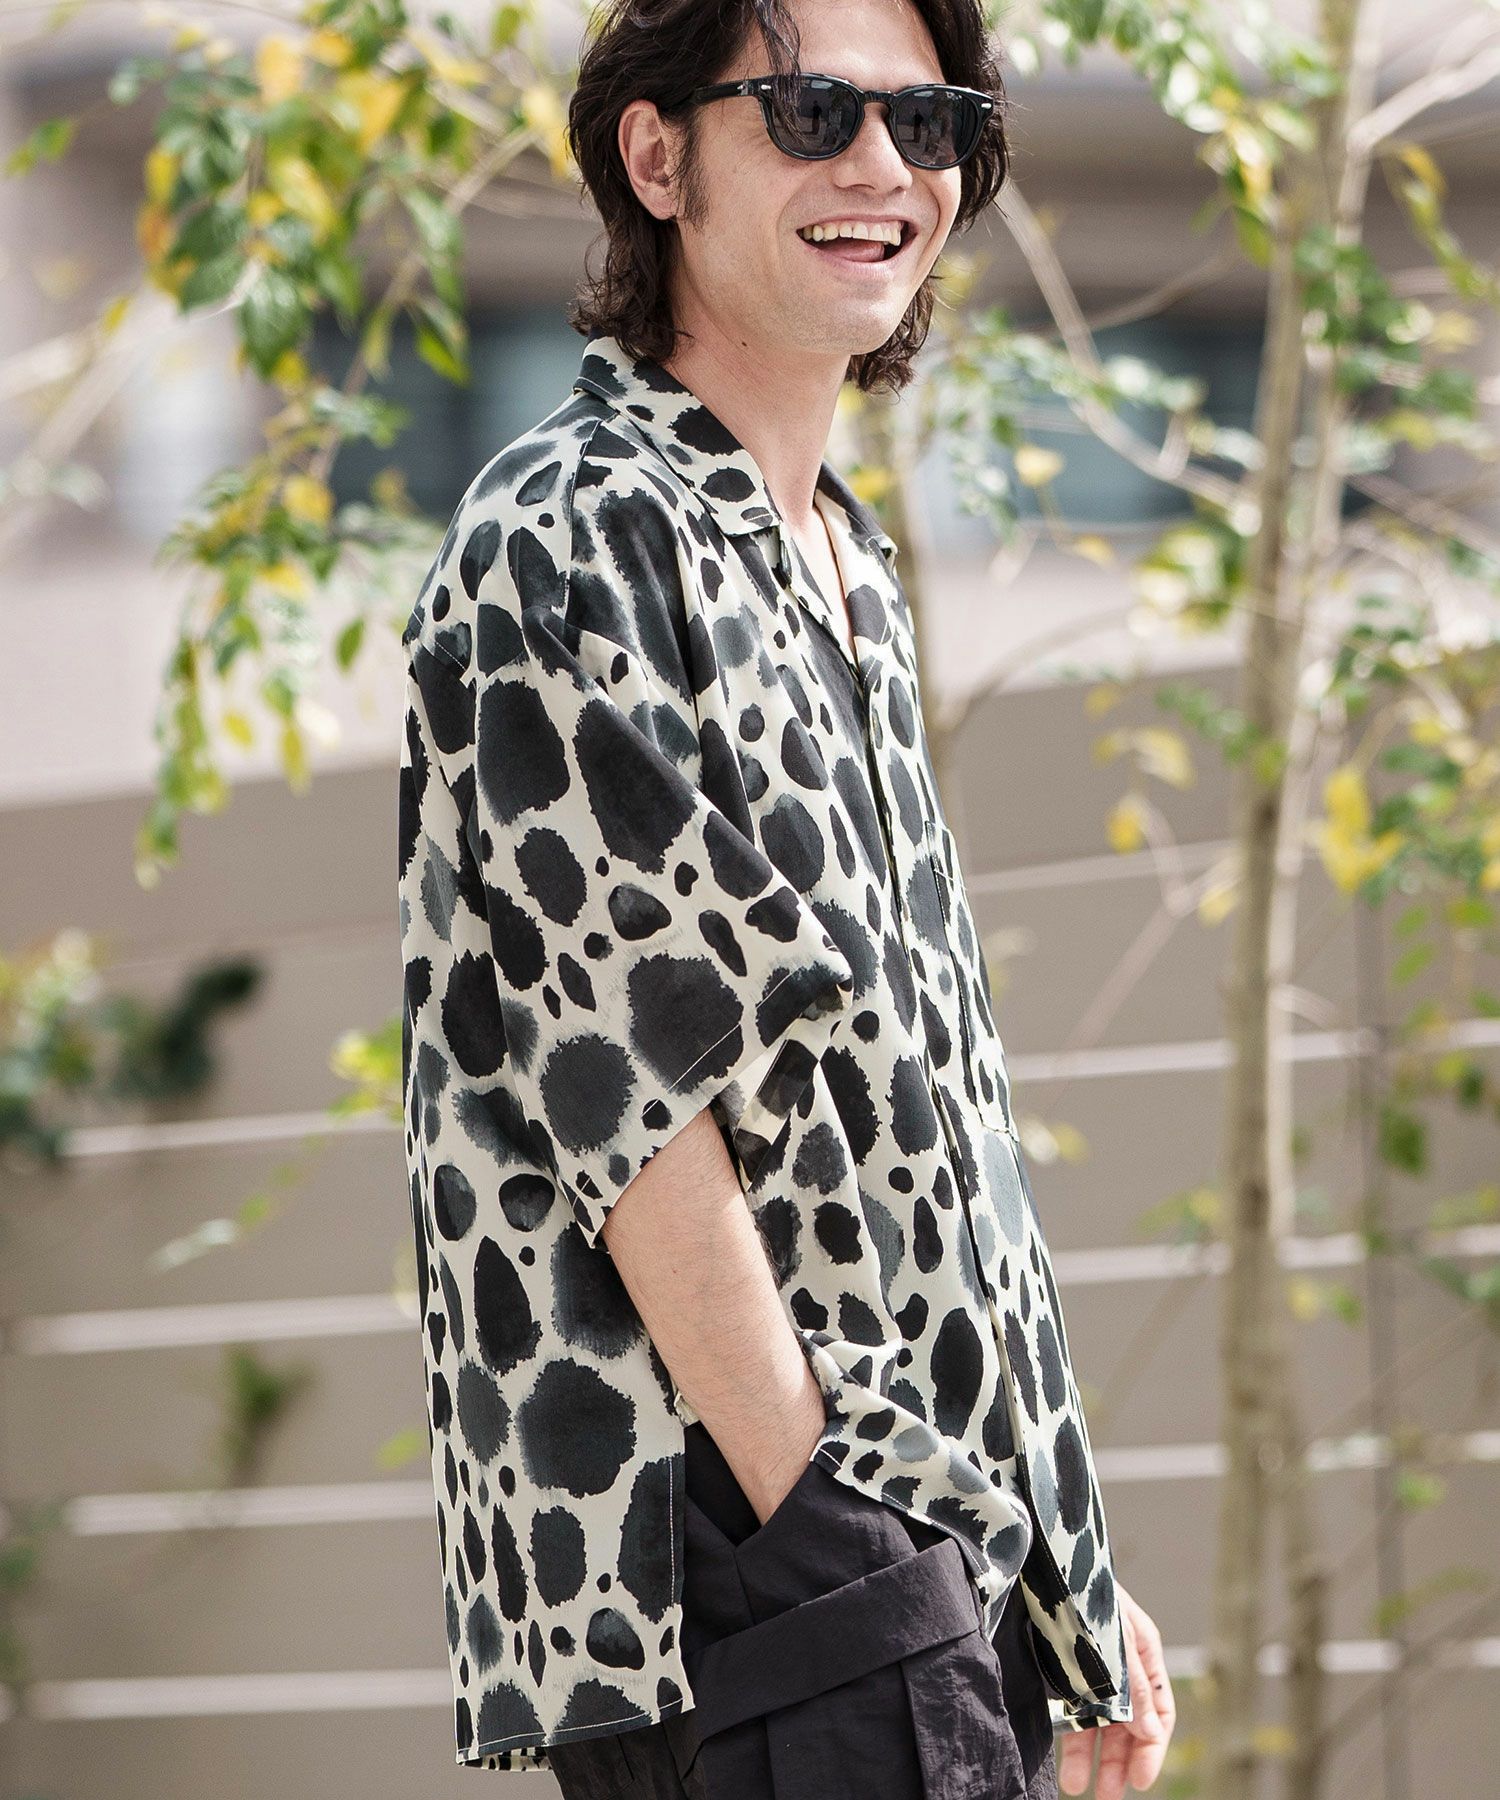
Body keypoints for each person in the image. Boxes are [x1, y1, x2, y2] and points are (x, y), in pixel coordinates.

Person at [397, 1, 1176, 1795]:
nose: (885, 167)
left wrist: (1059, 1556)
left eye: (931, 120)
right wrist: (832, 1522)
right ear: (656, 155)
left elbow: (922, 1118)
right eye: (817, 111)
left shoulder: (840, 561)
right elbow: (632, 1100)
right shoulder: (573, 534)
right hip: (753, 1561)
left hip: (918, 1536)